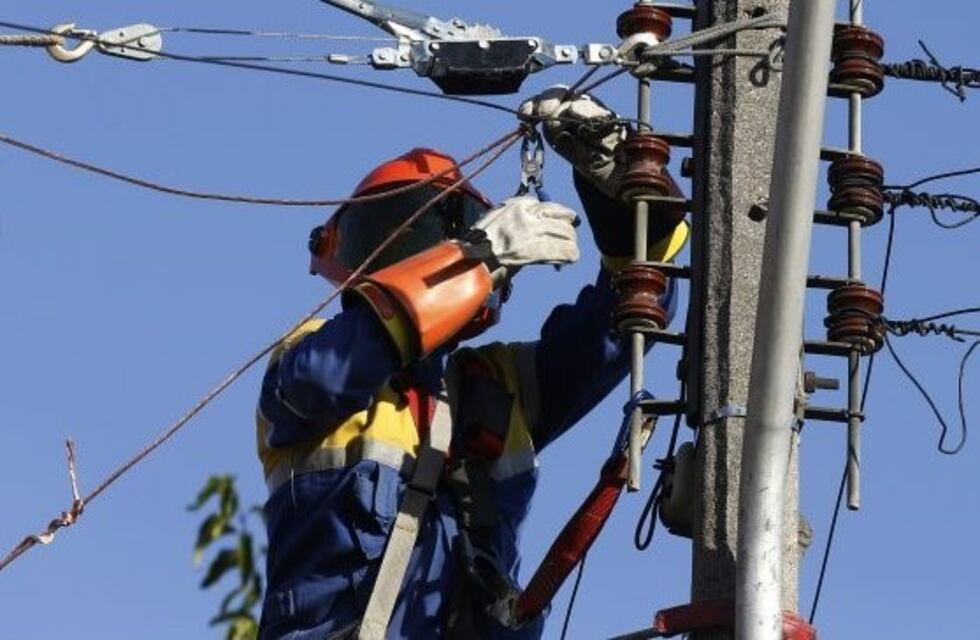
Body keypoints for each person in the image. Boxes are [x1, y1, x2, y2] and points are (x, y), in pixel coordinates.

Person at [254, 88, 689, 639]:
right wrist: (474, 261)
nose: (422, 251)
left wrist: (620, 186)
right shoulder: (309, 358)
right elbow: (327, 375)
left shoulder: (494, 388)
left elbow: (631, 316)